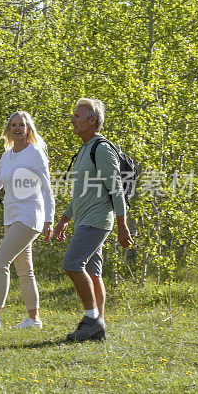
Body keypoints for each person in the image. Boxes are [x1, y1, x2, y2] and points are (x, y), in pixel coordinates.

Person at [53, 98, 134, 341]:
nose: (73, 120)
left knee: (72, 263)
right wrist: (65, 218)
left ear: (92, 121)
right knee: (92, 271)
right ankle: (98, 325)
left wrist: (122, 226)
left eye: (78, 116)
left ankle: (91, 320)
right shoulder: (84, 149)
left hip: (97, 220)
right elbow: (82, 193)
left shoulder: (102, 148)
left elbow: (117, 189)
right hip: (84, 218)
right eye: (73, 115)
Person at [0, 111, 55, 329]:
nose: (17, 128)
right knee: (25, 270)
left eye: (22, 125)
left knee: (0, 260)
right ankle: (34, 319)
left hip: (30, 216)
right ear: (9, 129)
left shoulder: (35, 153)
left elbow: (47, 188)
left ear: (28, 130)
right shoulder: (7, 155)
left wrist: (49, 221)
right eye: (14, 124)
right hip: (11, 216)